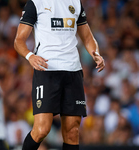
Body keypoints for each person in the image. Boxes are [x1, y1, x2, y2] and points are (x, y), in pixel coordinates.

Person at [14, 0, 105, 150]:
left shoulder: (75, 3)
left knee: (72, 131)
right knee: (42, 129)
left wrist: (96, 54)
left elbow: (88, 37)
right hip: (47, 71)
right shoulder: (36, 3)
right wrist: (30, 56)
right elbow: (18, 40)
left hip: (73, 71)